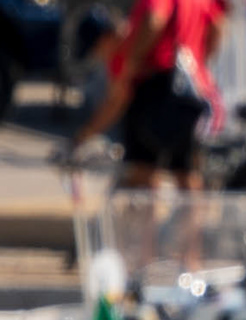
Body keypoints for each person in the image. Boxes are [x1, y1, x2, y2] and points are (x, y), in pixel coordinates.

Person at [69, 0, 226, 190]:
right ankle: (194, 210)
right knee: (186, 172)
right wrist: (199, 61)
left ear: (104, 39)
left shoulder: (127, 55)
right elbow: (217, 26)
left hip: (155, 86)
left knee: (143, 171)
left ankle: (148, 208)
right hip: (191, 92)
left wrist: (132, 63)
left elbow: (154, 19)